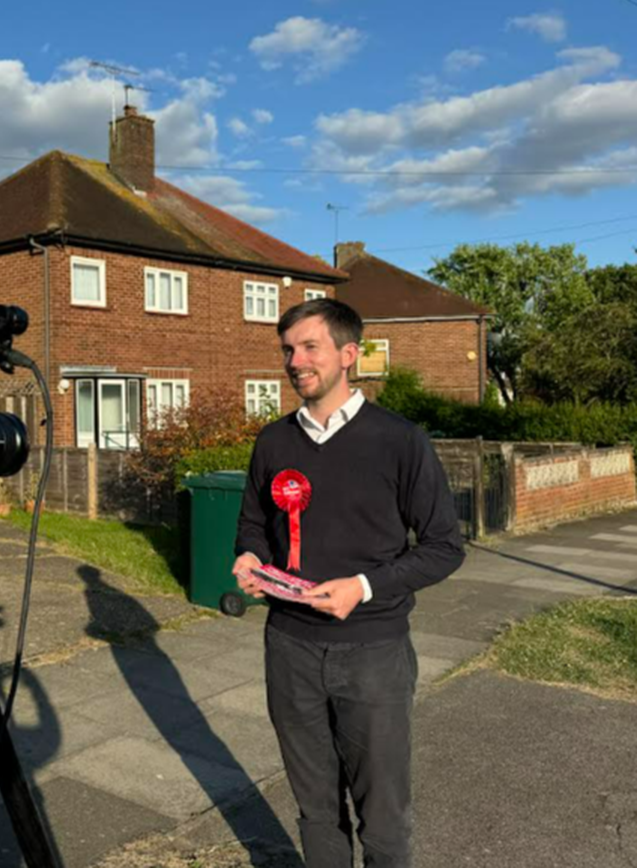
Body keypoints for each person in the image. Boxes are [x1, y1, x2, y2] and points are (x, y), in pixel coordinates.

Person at [232, 298, 464, 868]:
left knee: (382, 815)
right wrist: (249, 557)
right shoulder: (273, 441)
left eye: (309, 347)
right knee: (315, 808)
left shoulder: (400, 440)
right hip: (289, 646)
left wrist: (362, 586)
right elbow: (254, 524)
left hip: (372, 652)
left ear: (348, 354)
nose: (295, 361)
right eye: (288, 349)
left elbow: (444, 547)